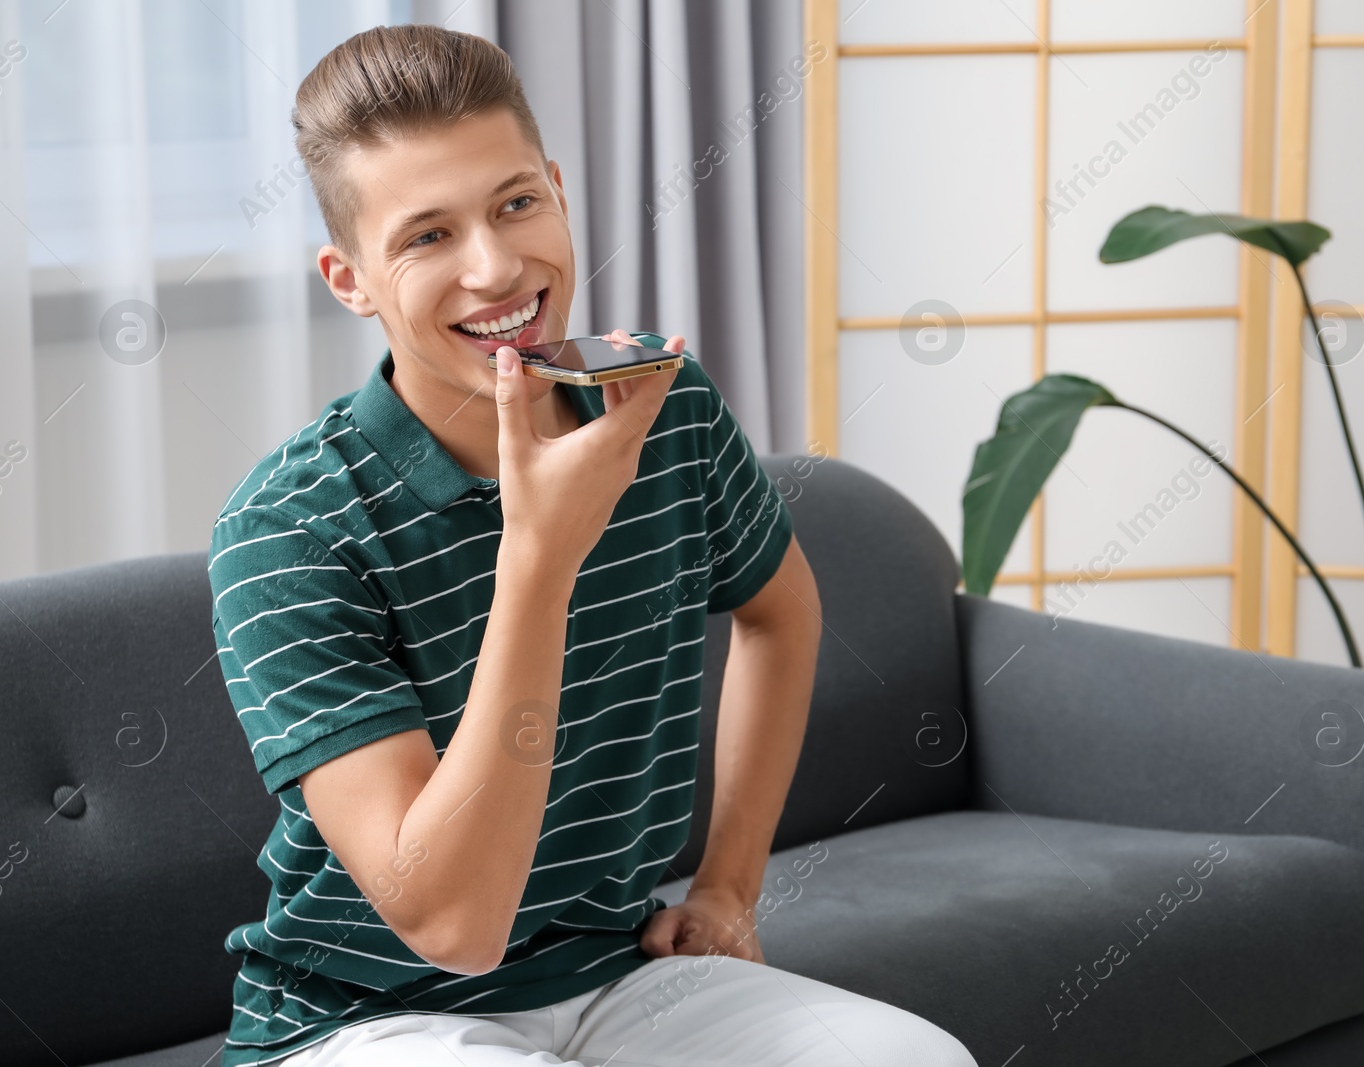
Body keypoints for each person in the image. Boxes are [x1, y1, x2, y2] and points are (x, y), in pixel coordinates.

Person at [206, 23, 978, 1067]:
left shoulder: (660, 408)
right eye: (426, 236)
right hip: (363, 1022)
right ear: (349, 278)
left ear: (560, 192)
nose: (494, 266)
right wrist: (540, 553)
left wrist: (728, 884)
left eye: (516, 202)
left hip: (615, 971)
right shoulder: (288, 530)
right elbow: (457, 927)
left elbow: (782, 610)